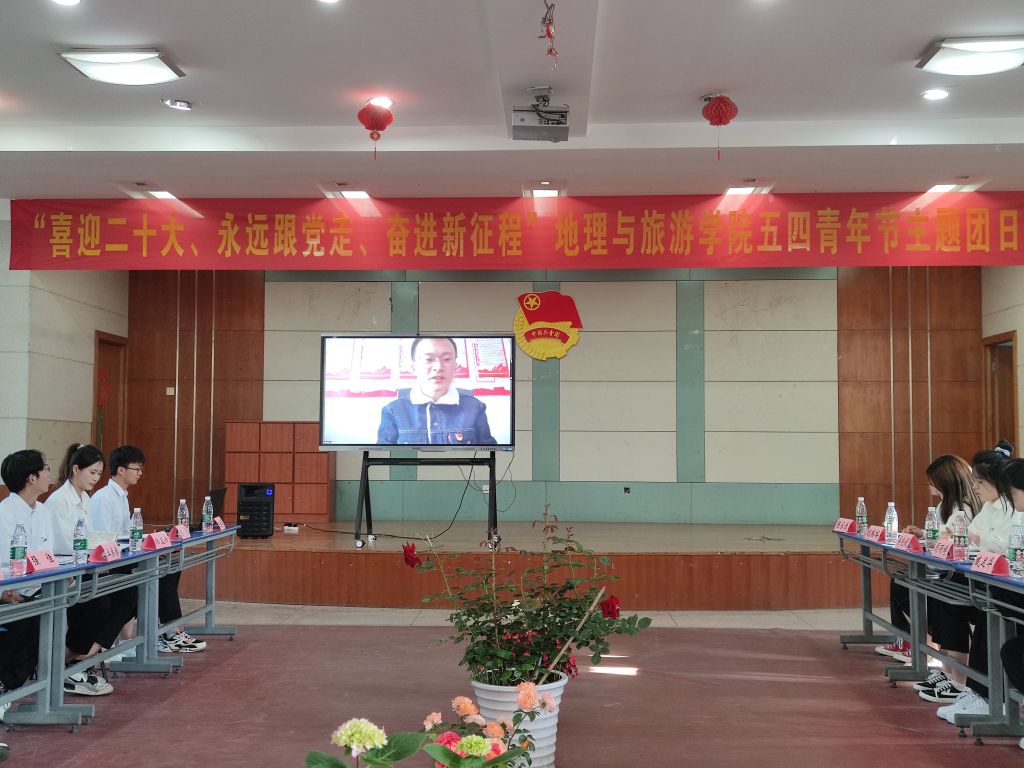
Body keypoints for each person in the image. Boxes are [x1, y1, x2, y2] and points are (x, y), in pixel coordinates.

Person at [931, 443, 1017, 723]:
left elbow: (1001, 545)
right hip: (994, 582)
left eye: (979, 482)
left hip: (1008, 586)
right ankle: (978, 692)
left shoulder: (1013, 508)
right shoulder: (991, 507)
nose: (975, 488)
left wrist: (981, 541)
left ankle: (988, 696)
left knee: (989, 619)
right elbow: (967, 536)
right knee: (953, 601)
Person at [91, 445, 206, 654]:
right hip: (110, 564)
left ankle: (169, 629)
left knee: (169, 565)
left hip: (124, 556)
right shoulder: (103, 498)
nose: (140, 474)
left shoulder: (121, 496)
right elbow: (103, 540)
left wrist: (147, 539)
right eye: (136, 469)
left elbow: (127, 534)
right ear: (121, 470)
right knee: (161, 572)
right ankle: (169, 632)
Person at [45, 443, 136, 696]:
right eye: (92, 473)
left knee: (128, 592)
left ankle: (81, 658)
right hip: (65, 572)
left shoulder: (84, 498)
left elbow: (90, 536)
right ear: (76, 469)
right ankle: (69, 662)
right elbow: (63, 544)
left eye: (98, 473)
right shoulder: (58, 501)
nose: (96, 479)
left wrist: (104, 547)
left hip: (86, 567)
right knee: (100, 602)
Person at [0, 450, 53, 718]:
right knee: (34, 621)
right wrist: (3, 594)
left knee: (94, 601)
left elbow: (48, 556)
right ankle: (6, 685)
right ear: (31, 478)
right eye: (45, 468)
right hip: (11, 594)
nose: (49, 473)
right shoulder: (4, 514)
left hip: (40, 589)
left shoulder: (42, 511)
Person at [377, 337, 496, 445]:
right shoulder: (392, 411)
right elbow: (382, 455)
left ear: (455, 366)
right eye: (428, 359)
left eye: (446, 359)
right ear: (414, 368)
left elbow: (490, 453)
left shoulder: (476, 408)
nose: (438, 367)